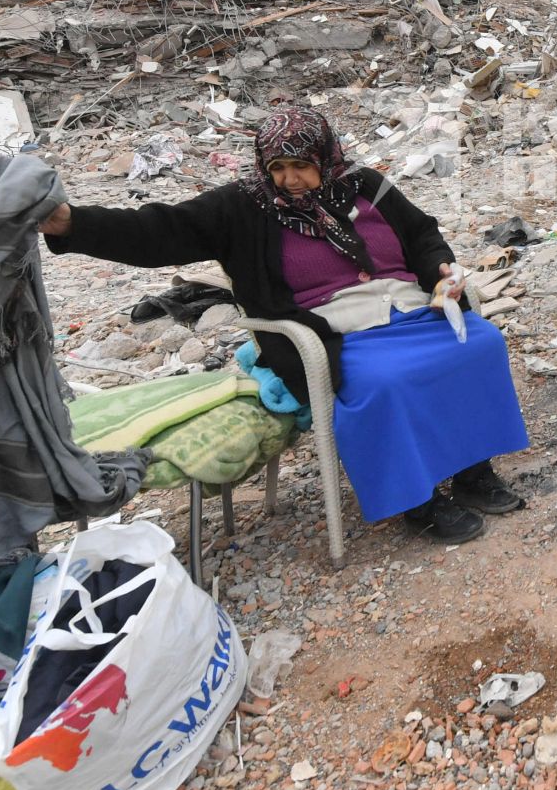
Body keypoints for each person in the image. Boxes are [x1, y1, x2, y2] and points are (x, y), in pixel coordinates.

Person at [39, 108, 529, 544]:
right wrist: (71, 224)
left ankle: (472, 470)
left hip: (408, 308)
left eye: (302, 166)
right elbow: (155, 232)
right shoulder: (243, 208)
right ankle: (416, 499)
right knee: (384, 381)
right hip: (329, 330)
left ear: (326, 158)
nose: (290, 180)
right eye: (279, 168)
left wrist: (440, 270)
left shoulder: (367, 186)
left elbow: (423, 234)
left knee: (480, 344)